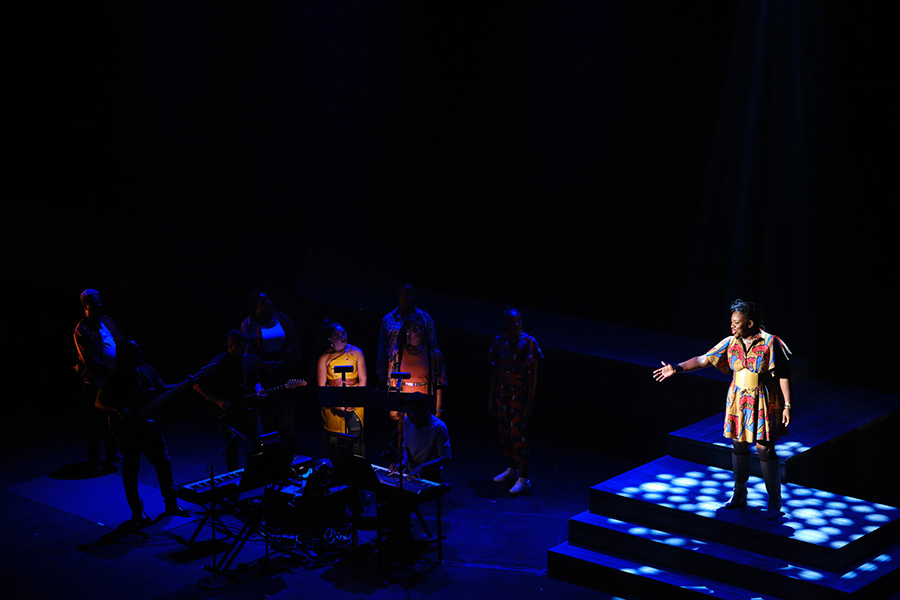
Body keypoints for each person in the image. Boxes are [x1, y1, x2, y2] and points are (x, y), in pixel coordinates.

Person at [653, 299, 792, 519]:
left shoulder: (770, 342)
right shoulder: (730, 342)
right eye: (732, 322)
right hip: (738, 399)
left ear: (750, 323)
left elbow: (783, 374)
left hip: (763, 399)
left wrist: (787, 405)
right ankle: (739, 493)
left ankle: (774, 500)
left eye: (737, 322)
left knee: (764, 449)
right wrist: (676, 369)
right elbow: (703, 359)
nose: (732, 326)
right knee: (738, 446)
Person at [95, 340, 189, 524]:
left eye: (140, 349)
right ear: (126, 356)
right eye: (136, 351)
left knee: (163, 463)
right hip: (126, 431)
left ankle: (171, 504)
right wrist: (118, 410)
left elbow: (162, 388)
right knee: (131, 470)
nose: (141, 353)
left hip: (149, 427)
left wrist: (185, 384)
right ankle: (137, 511)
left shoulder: (146, 369)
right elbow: (98, 402)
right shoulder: (114, 377)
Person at [192, 330, 263, 472]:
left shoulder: (247, 360)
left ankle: (260, 473)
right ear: (231, 346)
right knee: (231, 446)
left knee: (259, 441)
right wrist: (217, 401)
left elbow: (255, 380)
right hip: (226, 412)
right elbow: (196, 384)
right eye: (242, 348)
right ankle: (233, 478)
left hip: (243, 406)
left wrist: (259, 389)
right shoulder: (217, 364)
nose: (245, 350)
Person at [488, 307, 542, 495]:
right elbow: (494, 370)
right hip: (502, 392)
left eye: (517, 322)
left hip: (519, 394)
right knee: (504, 432)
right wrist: (491, 397)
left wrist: (529, 402)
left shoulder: (529, 342)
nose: (514, 326)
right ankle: (511, 468)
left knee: (519, 435)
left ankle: (523, 477)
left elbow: (534, 374)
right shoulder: (498, 340)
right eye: (510, 324)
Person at [239, 291, 302, 450]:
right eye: (262, 301)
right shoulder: (248, 324)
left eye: (268, 299)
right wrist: (264, 364)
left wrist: (282, 362)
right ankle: (270, 448)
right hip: (262, 373)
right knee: (266, 413)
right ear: (256, 306)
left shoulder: (282, 318)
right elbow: (247, 351)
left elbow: (292, 342)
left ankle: (289, 448)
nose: (267, 303)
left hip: (282, 369)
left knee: (285, 411)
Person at [73, 288, 122, 470]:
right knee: (94, 422)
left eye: (100, 301)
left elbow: (120, 342)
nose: (99, 305)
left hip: (112, 378)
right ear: (86, 306)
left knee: (112, 418)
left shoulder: (107, 320)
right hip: (94, 381)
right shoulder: (82, 330)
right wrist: (109, 369)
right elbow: (89, 359)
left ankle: (112, 453)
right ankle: (93, 460)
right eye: (94, 302)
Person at [316, 320, 367, 456]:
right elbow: (322, 388)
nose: (343, 338)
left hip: (354, 404)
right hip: (334, 404)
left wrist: (354, 401)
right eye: (337, 336)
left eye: (343, 334)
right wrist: (337, 405)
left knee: (355, 441)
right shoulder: (324, 359)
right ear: (330, 339)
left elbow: (363, 380)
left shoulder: (357, 353)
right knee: (334, 443)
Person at [377, 284, 438, 388]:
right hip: (394, 368)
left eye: (411, 295)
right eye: (404, 295)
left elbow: (432, 345)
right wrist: (381, 372)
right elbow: (382, 346)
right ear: (399, 296)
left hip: (418, 368)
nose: (408, 298)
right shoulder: (388, 319)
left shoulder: (425, 318)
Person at [394, 393, 452, 483]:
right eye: (407, 412)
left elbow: (446, 457)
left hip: (430, 474)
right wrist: (404, 463)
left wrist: (422, 467)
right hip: (411, 472)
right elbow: (406, 446)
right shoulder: (408, 420)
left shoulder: (439, 426)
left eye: (412, 412)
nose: (408, 416)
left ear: (423, 410)